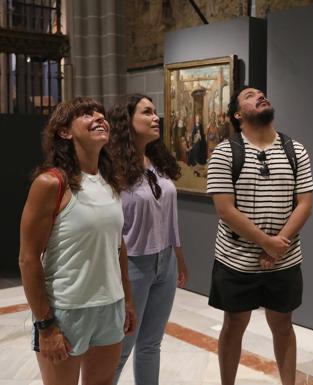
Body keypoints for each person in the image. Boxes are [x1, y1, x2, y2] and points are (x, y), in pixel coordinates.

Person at [18, 97, 137, 385]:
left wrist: (128, 300)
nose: (99, 117)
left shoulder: (110, 183)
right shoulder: (50, 184)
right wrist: (46, 325)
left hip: (110, 305)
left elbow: (117, 247)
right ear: (64, 132)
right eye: (86, 114)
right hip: (66, 309)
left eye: (101, 113)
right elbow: (28, 258)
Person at [206, 86, 313, 385]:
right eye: (250, 95)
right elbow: (225, 210)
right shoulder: (225, 152)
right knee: (235, 323)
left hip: (285, 258)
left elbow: (304, 204)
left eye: (261, 93)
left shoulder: (296, 150)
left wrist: (277, 246)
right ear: (238, 114)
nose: (260, 96)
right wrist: (267, 243)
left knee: (283, 322)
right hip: (236, 258)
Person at [107, 94, 188, 385]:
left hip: (164, 262)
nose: (156, 118)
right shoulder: (112, 167)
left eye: (156, 112)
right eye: (147, 112)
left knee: (151, 344)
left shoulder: (158, 161)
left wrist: (177, 257)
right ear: (127, 120)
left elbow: (169, 216)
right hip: (132, 265)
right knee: (120, 348)